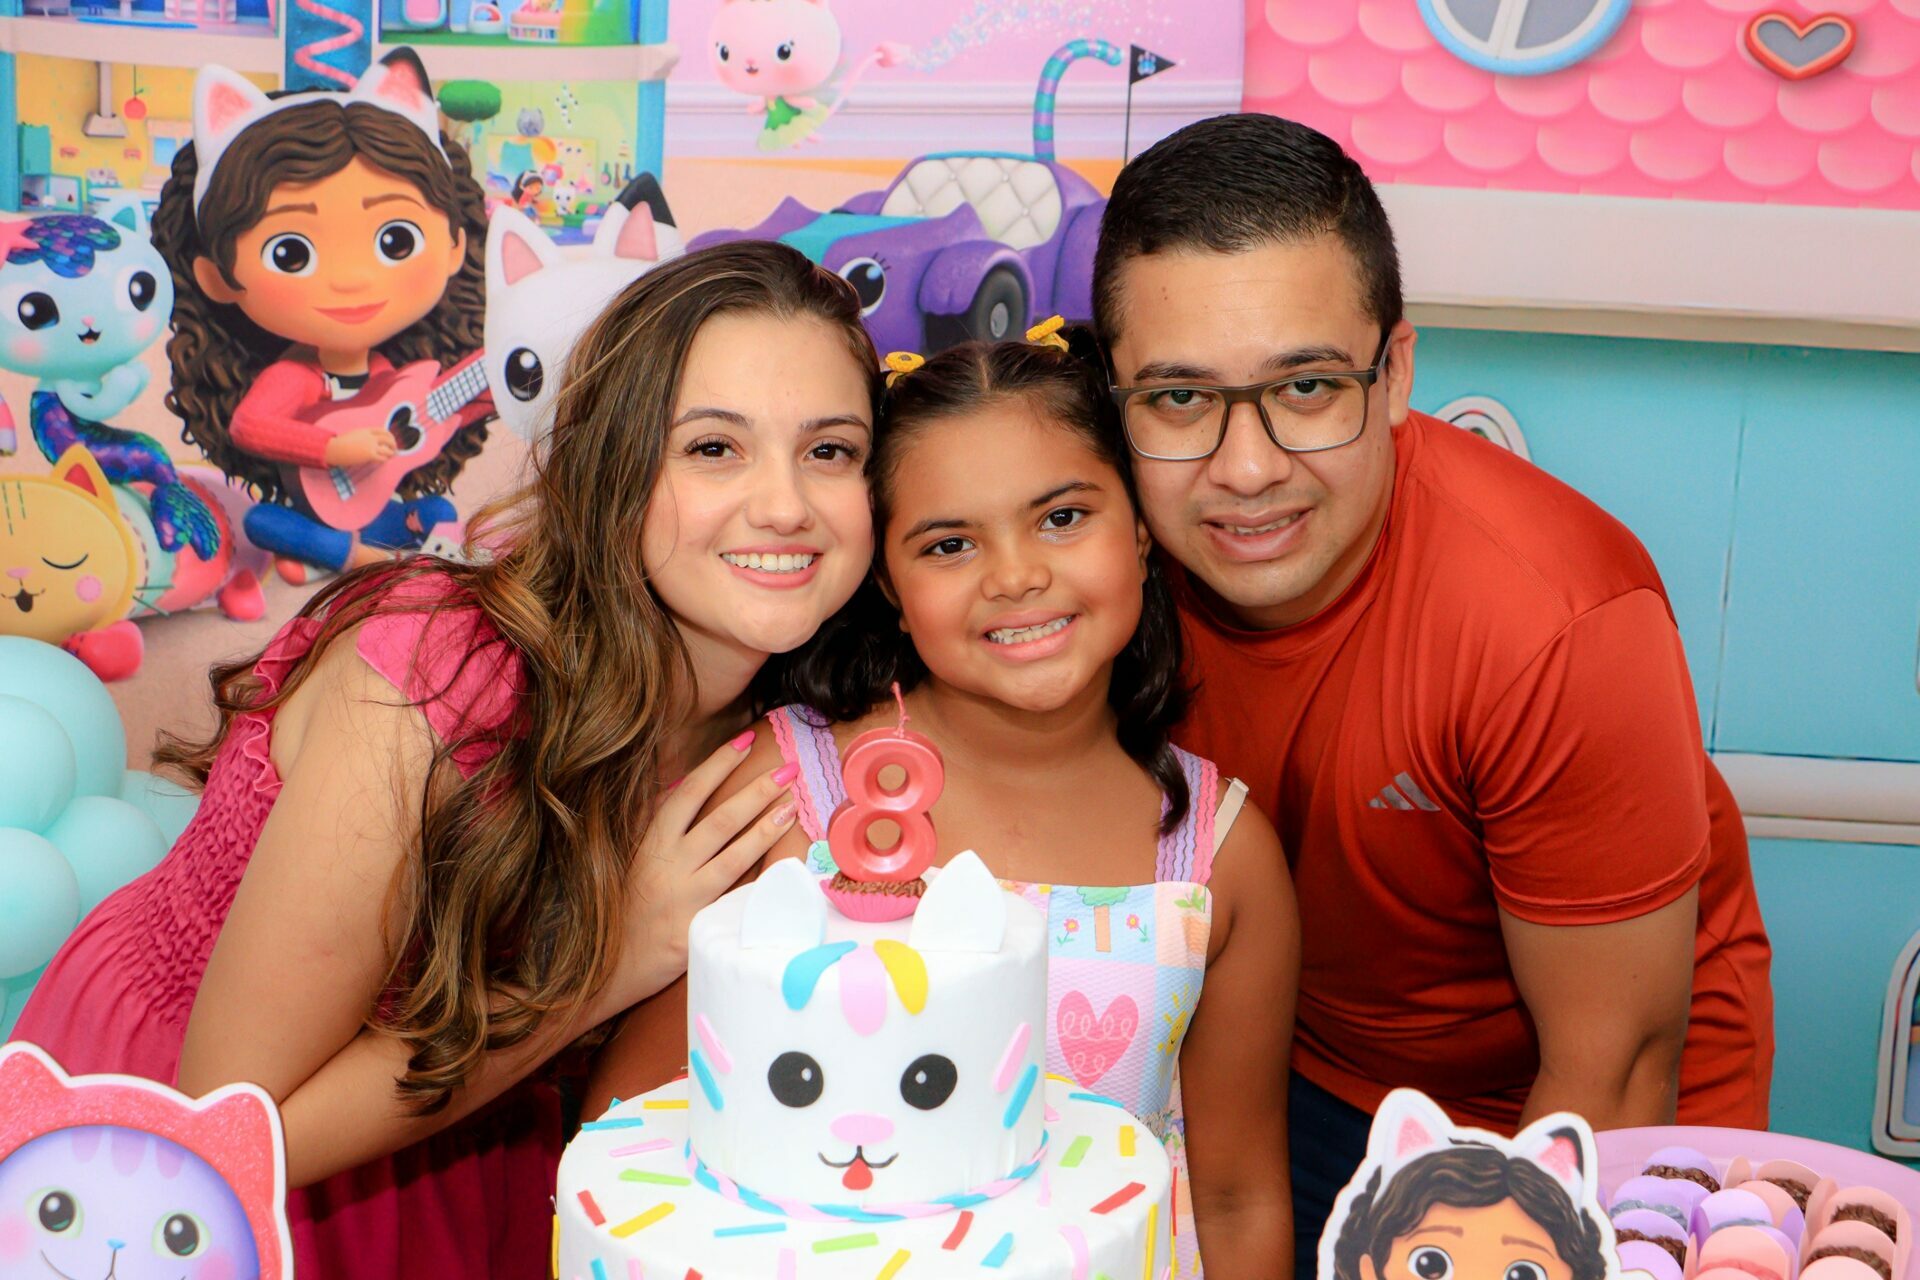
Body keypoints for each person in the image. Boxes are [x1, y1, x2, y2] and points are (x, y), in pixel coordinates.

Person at [12, 240, 882, 1278]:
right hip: (185, 1164)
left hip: (469, 1141)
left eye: (831, 450)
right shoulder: (436, 672)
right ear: (611, 467)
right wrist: (605, 966)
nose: (785, 504)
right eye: (713, 447)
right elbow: (235, 1127)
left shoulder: (796, 727)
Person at [1089, 113, 1774, 1277]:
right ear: (1115, 399)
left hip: (1578, 1098)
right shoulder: (1090, 556)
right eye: (1180, 399)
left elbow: (1612, 1064)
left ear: (1397, 373)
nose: (1246, 468)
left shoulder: (1554, 623)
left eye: (1309, 385)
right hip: (1299, 1066)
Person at [590, 327, 1300, 1279]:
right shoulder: (784, 797)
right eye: (950, 544)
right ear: (888, 581)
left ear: (1141, 529)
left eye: (1062, 518)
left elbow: (1237, 1198)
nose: (1015, 576)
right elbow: (634, 1129)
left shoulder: (1220, 854)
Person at [155, 51, 493, 580]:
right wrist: (332, 447)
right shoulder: (297, 375)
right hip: (314, 504)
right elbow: (250, 426)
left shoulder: (395, 374)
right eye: (291, 253)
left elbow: (433, 416)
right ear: (215, 277)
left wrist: (494, 390)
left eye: (395, 240)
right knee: (263, 521)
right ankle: (356, 559)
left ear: (455, 247)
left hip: (374, 503)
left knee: (438, 511)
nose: (351, 279)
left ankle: (383, 557)